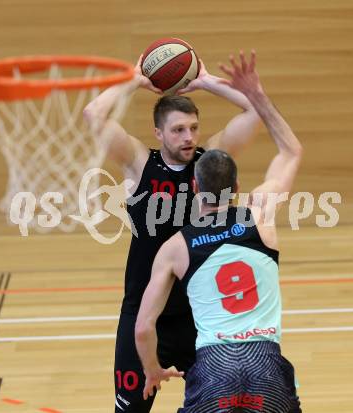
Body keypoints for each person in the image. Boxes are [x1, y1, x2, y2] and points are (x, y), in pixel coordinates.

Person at [83, 52, 261, 412]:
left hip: (202, 311)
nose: (188, 137)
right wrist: (133, 80)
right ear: (158, 132)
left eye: (193, 128)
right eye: (178, 129)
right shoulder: (138, 162)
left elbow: (256, 111)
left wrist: (207, 81)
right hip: (145, 311)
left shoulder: (210, 162)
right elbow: (92, 115)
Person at [135, 50, 303, 412]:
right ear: (238, 186)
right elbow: (291, 151)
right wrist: (255, 95)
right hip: (266, 361)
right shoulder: (260, 215)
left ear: (195, 188)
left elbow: (143, 328)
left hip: (213, 367)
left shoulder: (176, 246)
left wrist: (153, 370)